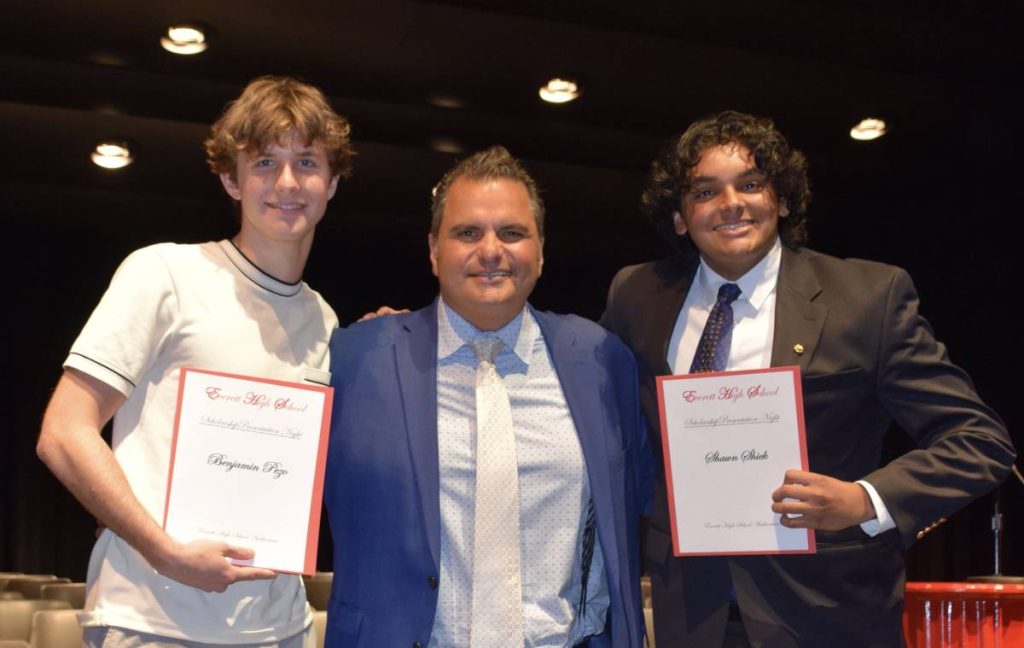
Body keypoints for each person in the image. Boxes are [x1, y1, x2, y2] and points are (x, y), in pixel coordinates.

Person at [599, 111, 1016, 647]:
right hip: (690, 609)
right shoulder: (637, 297)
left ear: (784, 199)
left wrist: (864, 499)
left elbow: (980, 443)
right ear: (680, 216)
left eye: (750, 184)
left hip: (829, 611)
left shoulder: (866, 297)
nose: (731, 204)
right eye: (705, 191)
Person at [36, 75, 353, 647]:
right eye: (264, 163)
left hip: (281, 631)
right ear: (231, 180)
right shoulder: (164, 274)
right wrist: (166, 552)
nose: (287, 181)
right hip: (150, 621)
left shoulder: (326, 321)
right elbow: (63, 432)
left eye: (307, 161)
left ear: (332, 182)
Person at [324, 146, 652, 647]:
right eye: (468, 233)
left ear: (540, 252)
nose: (492, 250)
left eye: (513, 232)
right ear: (434, 250)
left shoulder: (602, 360)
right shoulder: (357, 359)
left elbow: (643, 502)